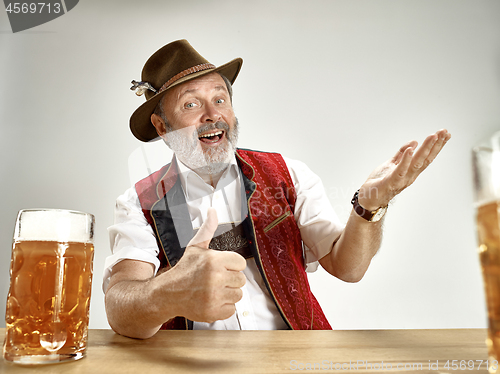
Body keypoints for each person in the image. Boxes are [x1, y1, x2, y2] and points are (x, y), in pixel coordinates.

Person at [103, 39, 451, 339]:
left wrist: (369, 205)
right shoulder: (139, 202)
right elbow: (120, 308)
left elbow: (349, 267)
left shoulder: (289, 175)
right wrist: (170, 293)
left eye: (220, 100)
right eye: (191, 104)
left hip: (298, 359)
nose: (213, 115)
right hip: (194, 366)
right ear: (163, 126)